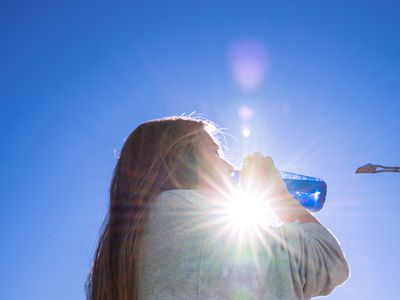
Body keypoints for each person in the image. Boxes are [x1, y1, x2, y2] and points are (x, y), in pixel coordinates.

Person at [86, 116, 350, 300]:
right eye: (215, 152)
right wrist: (277, 194)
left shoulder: (135, 239)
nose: (229, 165)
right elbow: (327, 262)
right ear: (180, 158)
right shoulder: (189, 214)